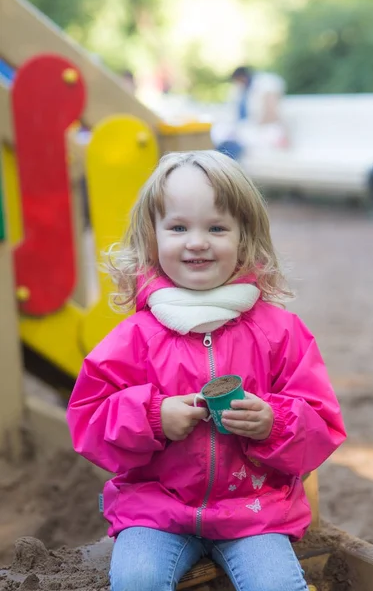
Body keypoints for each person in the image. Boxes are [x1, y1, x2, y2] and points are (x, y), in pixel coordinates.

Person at [67, 150, 346, 591]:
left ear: (245, 237)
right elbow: (88, 420)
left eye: (216, 227)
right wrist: (153, 418)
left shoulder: (280, 331)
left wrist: (273, 422)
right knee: (137, 580)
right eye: (178, 227)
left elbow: (322, 422)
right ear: (152, 237)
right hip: (155, 509)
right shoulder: (135, 336)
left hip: (255, 510)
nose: (197, 242)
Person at [212, 66, 289, 160]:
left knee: (239, 139)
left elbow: (271, 113)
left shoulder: (266, 84)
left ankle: (225, 163)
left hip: (263, 129)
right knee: (220, 133)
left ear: (243, 77)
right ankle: (222, 161)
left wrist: (248, 127)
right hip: (244, 129)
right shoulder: (239, 90)